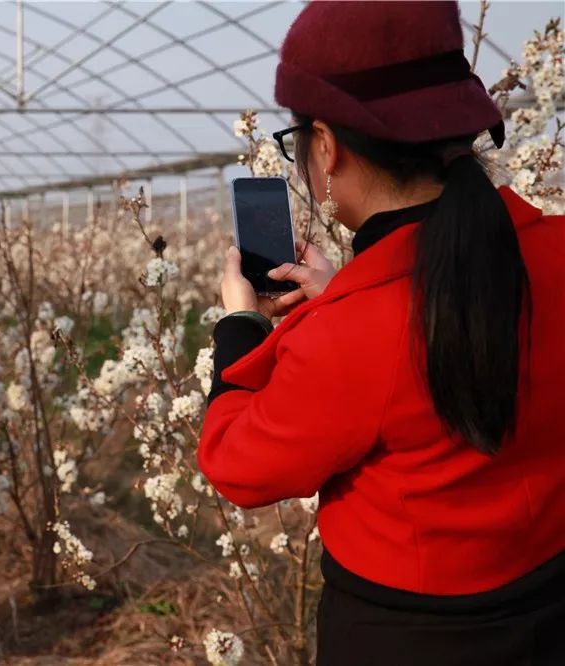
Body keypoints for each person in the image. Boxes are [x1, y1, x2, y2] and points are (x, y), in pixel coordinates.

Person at [197, 2, 565, 664]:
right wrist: (348, 292)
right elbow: (432, 324)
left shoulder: (351, 333)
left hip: (409, 640)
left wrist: (240, 323)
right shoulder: (556, 250)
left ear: (327, 148)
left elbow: (235, 463)